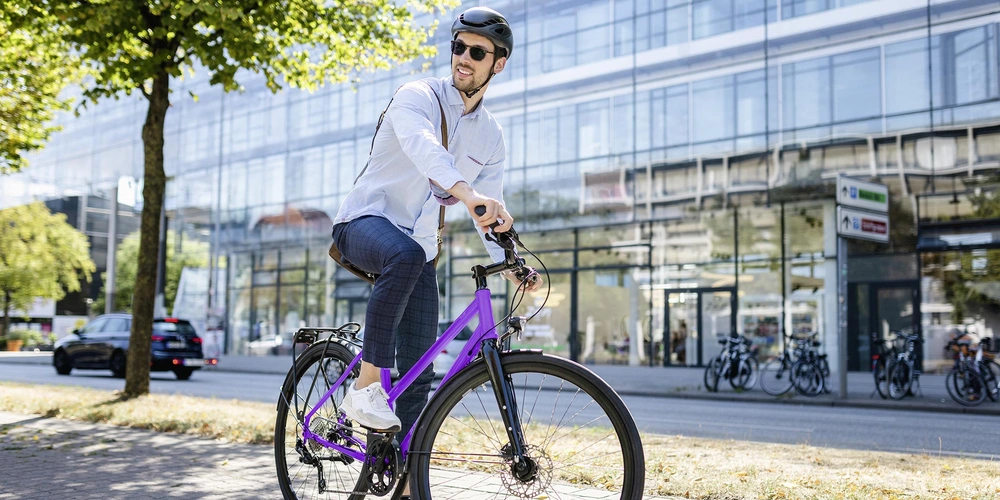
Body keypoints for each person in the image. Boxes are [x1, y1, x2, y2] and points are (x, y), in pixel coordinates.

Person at [331, 5, 541, 452]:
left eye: (477, 52)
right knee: (403, 255)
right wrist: (467, 194)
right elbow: (425, 149)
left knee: (418, 370)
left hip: (419, 250)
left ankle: (402, 476)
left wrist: (510, 258)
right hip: (365, 223)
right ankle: (364, 387)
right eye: (458, 46)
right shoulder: (417, 95)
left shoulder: (491, 136)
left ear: (497, 64)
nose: (464, 57)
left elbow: (489, 205)